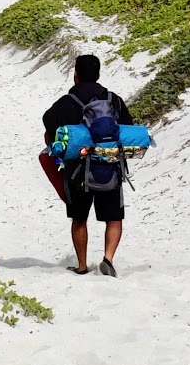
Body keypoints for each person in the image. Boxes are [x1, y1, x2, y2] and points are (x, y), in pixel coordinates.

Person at [42, 53, 134, 277]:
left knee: (79, 218)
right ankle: (108, 258)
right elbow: (128, 128)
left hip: (76, 171)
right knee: (114, 217)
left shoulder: (66, 103)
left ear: (75, 74)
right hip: (109, 167)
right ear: (99, 74)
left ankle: (82, 265)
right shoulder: (113, 100)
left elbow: (48, 125)